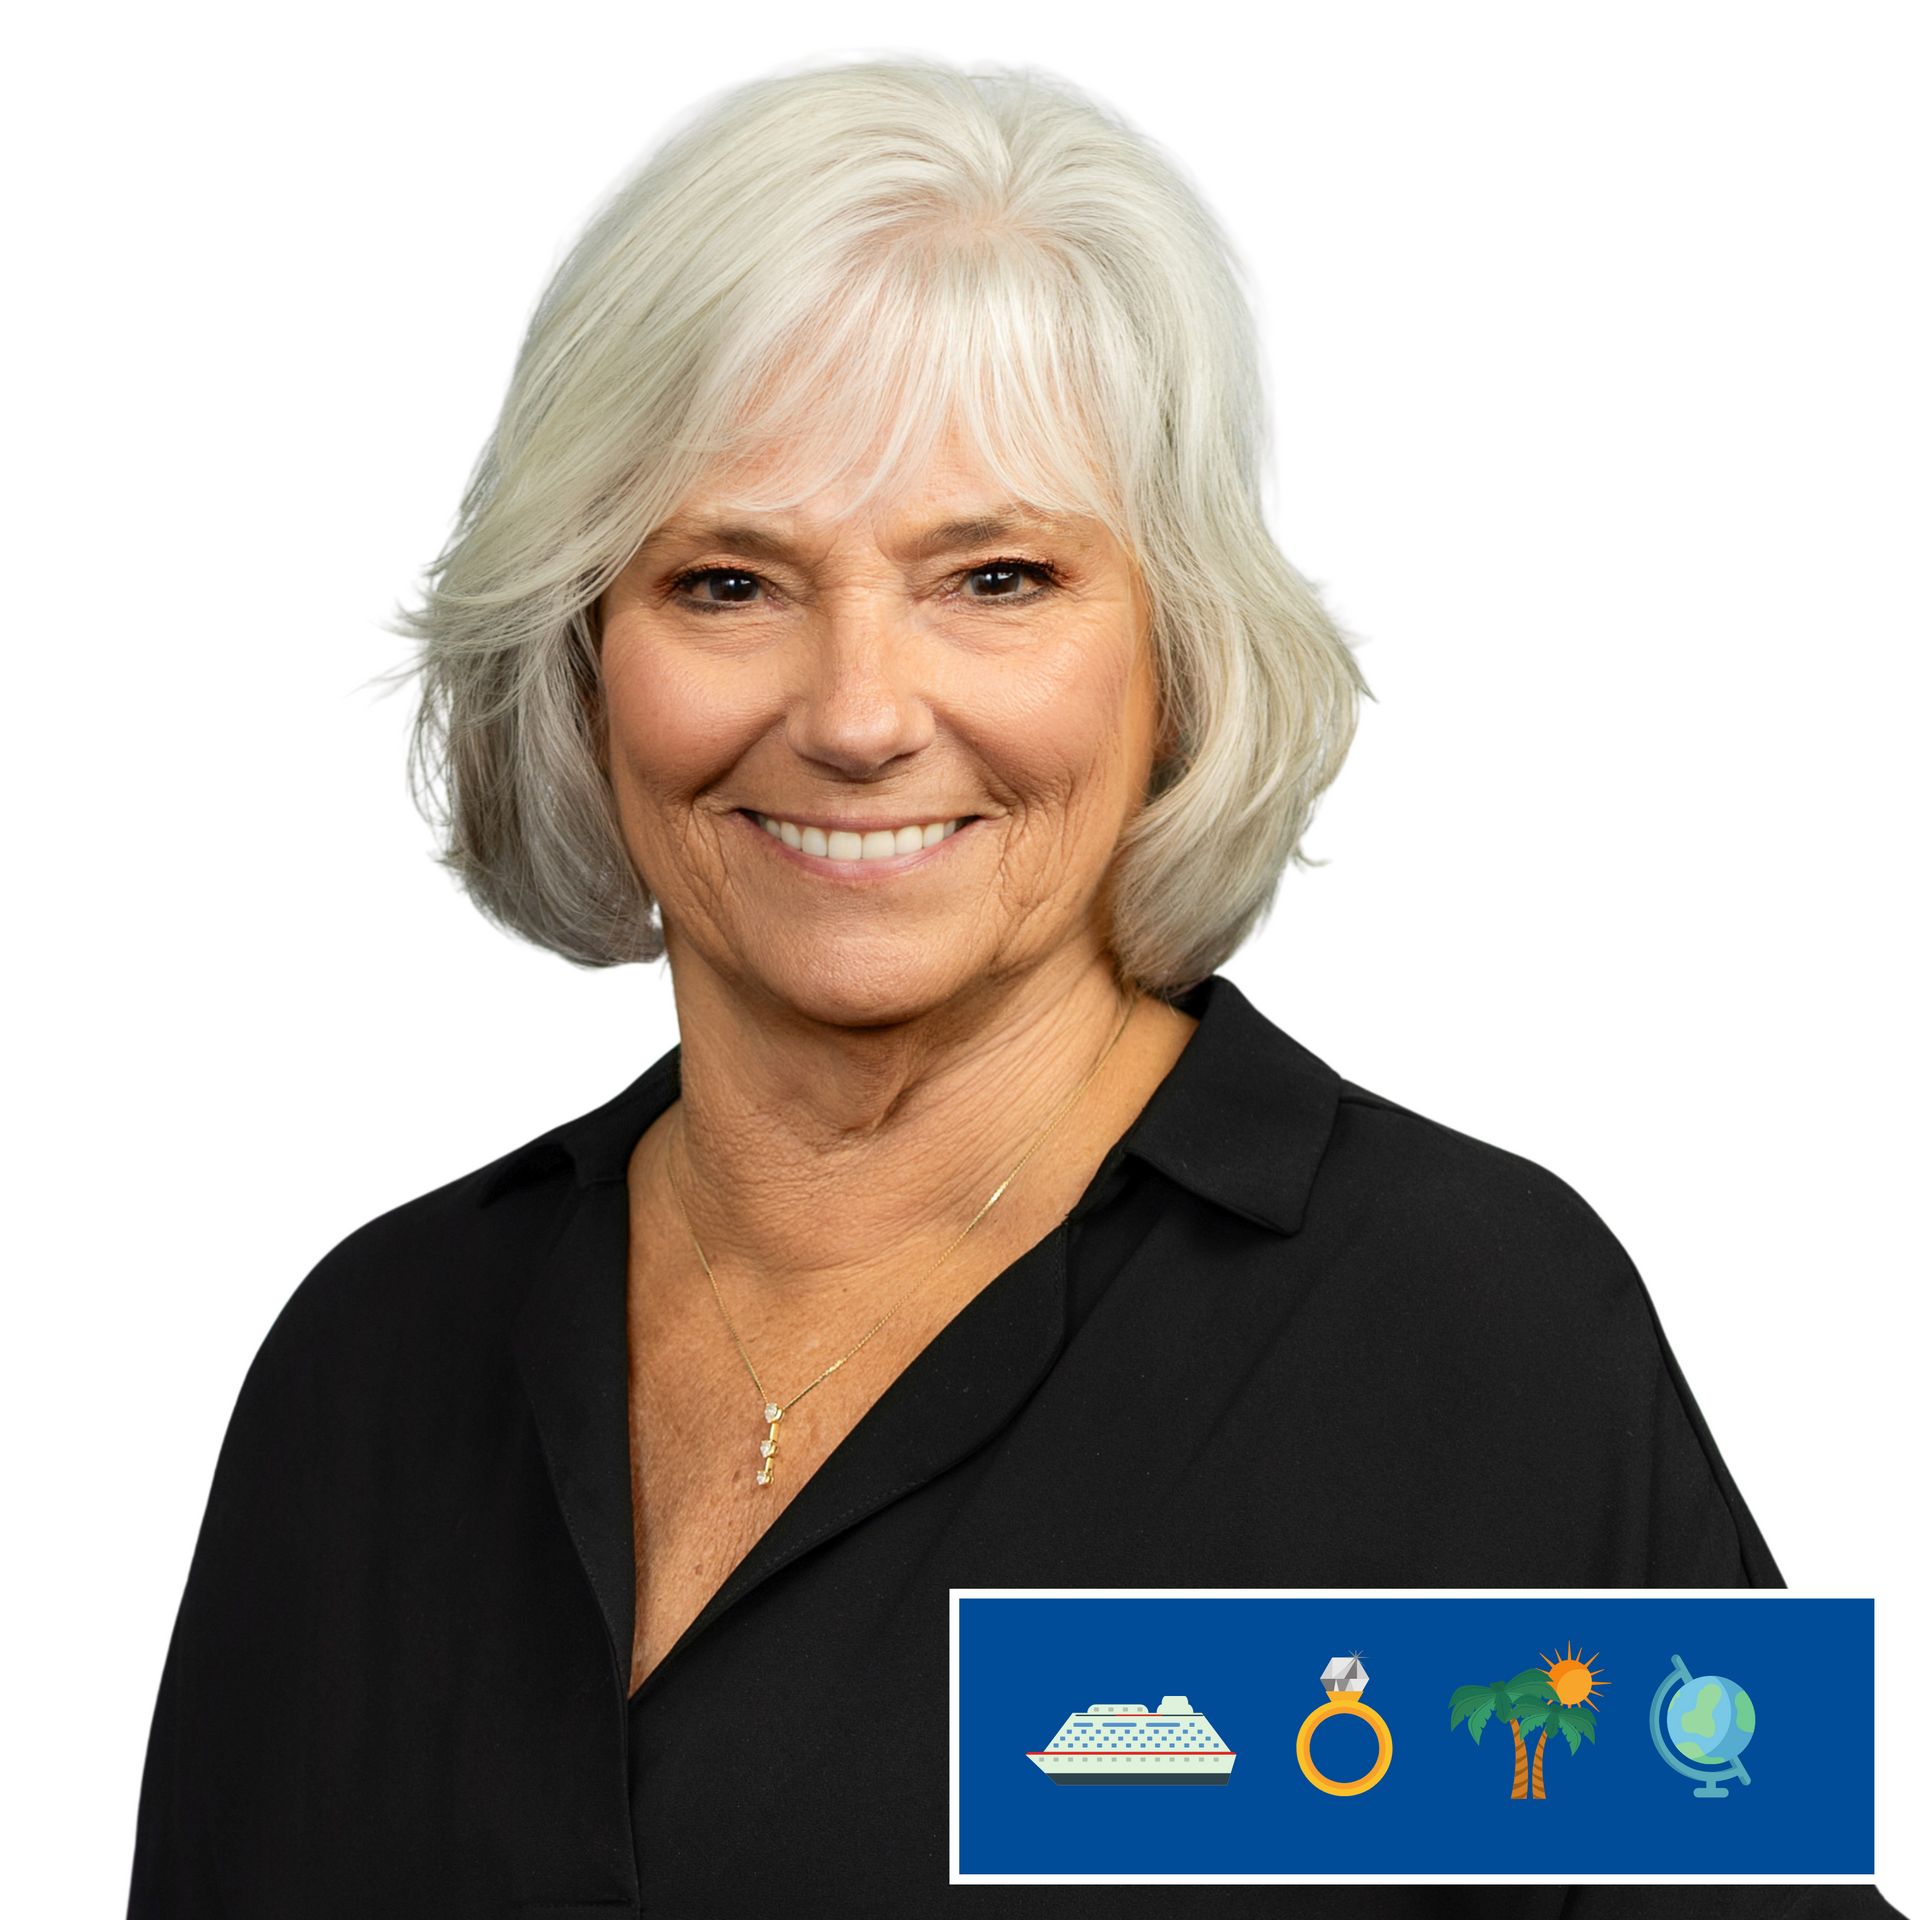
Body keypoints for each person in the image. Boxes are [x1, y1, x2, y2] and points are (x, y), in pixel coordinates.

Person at [127, 60, 1892, 1920]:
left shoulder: (1474, 1333)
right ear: (576, 655)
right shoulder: (374, 1357)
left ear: (1180, 654)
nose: (859, 715)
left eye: (994, 576)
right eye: (726, 582)